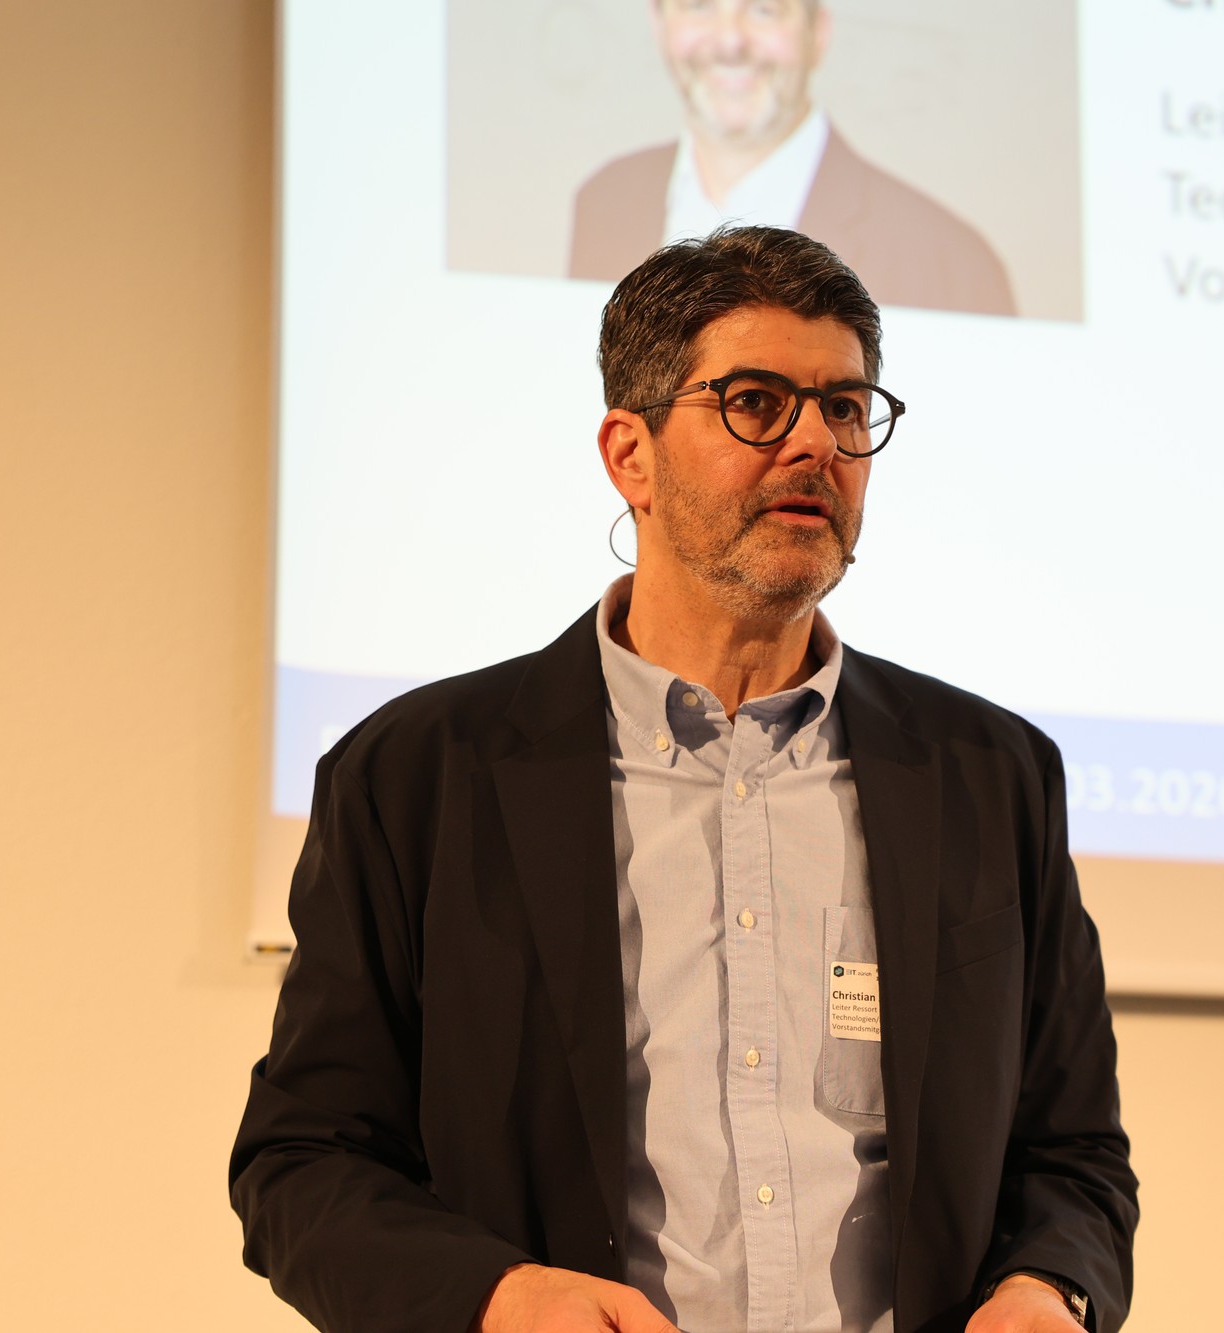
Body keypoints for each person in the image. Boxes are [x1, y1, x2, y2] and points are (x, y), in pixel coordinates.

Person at [230, 226, 1134, 1332]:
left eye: (846, 408)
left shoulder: (990, 777)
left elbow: (1072, 1154)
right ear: (631, 455)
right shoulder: (418, 776)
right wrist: (495, 1298)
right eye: (756, 402)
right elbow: (303, 1160)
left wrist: (1047, 1289)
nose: (816, 443)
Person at [568, 0, 1016, 318]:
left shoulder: (951, 260)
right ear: (658, 23)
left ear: (818, 33)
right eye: (698, 5)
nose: (729, 41)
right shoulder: (604, 201)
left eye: (764, 9)